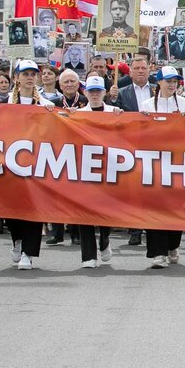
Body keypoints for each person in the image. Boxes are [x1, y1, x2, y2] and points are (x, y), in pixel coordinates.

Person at [0, 60, 54, 270]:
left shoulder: (46, 104)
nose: (30, 77)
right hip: (11, 163)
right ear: (17, 78)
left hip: (37, 164)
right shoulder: (5, 103)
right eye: (26, 74)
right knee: (13, 208)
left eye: (33, 74)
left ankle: (28, 253)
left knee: (34, 207)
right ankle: (17, 240)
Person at [141, 67, 185, 267]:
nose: (172, 85)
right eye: (168, 81)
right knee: (154, 208)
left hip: (177, 163)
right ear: (159, 82)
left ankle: (172, 244)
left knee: (175, 207)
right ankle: (158, 253)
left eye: (175, 81)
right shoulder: (147, 104)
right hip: (153, 164)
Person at [75, 76, 118, 268]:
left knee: (105, 212)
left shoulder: (114, 113)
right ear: (85, 93)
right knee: (84, 212)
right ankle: (88, 256)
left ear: (104, 93)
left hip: (107, 168)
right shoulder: (77, 114)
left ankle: (105, 240)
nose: (94, 94)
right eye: (91, 91)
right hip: (84, 169)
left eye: (98, 91)